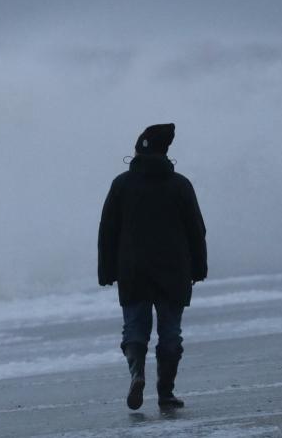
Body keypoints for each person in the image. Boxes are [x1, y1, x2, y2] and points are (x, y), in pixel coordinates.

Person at [98, 123, 208, 410]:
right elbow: (196, 229)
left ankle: (137, 374)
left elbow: (108, 229)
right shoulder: (180, 184)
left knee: (134, 329)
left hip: (133, 270)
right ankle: (165, 393)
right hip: (173, 270)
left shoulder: (122, 184)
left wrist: (106, 270)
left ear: (139, 150)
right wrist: (199, 267)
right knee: (170, 334)